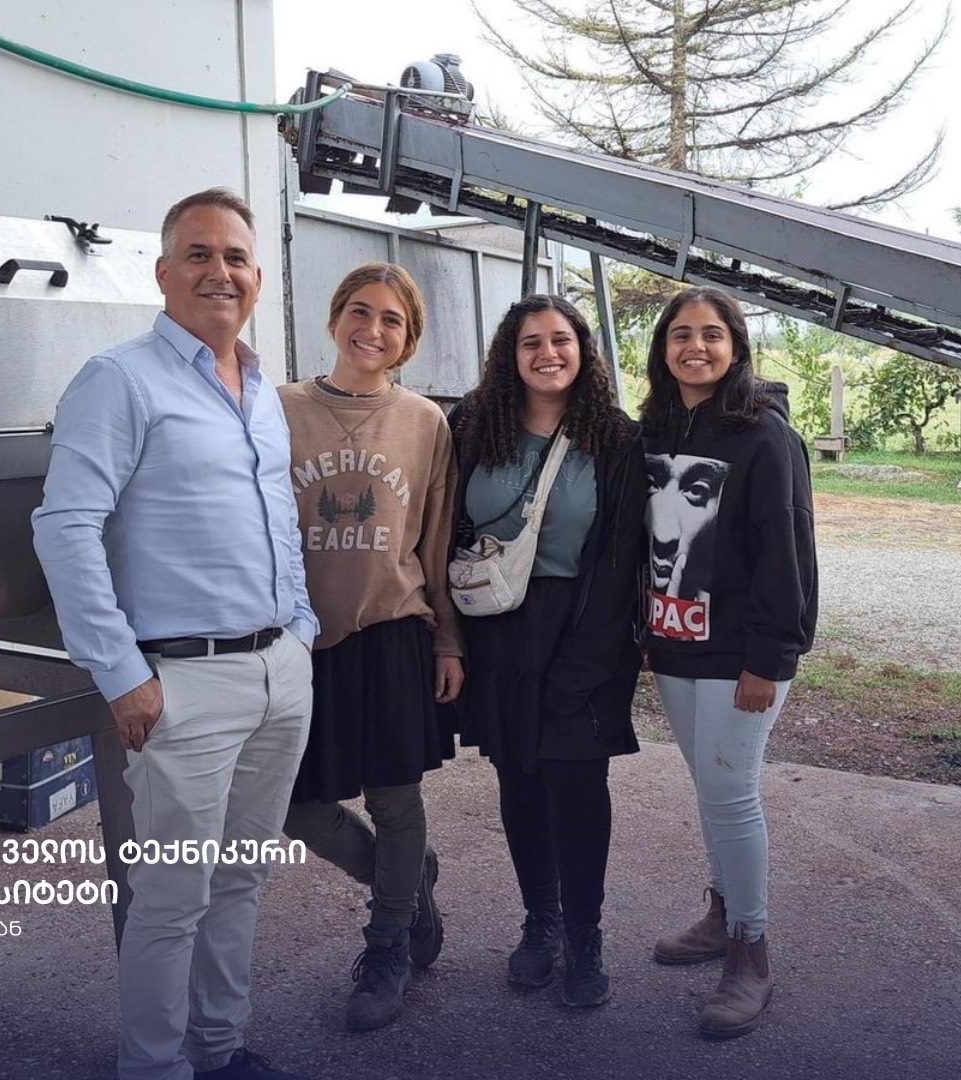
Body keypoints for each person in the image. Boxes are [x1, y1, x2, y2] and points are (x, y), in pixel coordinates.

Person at [32, 188, 318, 1080]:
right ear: (163, 273)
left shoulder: (265, 390)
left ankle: (219, 1049)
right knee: (169, 900)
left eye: (234, 257)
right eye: (198, 254)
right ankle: (154, 1069)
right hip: (181, 685)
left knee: (239, 879)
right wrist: (121, 674)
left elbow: (278, 519)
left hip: (279, 671)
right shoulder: (119, 380)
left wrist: (300, 631)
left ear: (258, 280)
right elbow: (66, 526)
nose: (218, 272)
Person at [276, 262, 463, 1032]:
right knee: (295, 805)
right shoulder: (278, 407)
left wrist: (450, 638)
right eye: (361, 312)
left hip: (390, 633)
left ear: (407, 339)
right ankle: (409, 878)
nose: (373, 330)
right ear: (334, 319)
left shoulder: (425, 423)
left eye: (392, 321)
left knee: (394, 799)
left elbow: (440, 540)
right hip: (299, 638)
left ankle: (387, 944)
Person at [447, 294, 646, 1009]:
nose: (547, 354)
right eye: (531, 342)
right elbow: (449, 530)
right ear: (511, 354)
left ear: (582, 351)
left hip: (584, 624)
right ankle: (543, 922)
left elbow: (623, 555)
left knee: (576, 781)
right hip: (499, 625)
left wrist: (590, 658)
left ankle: (586, 933)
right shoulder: (472, 426)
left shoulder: (614, 439)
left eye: (561, 340)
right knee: (520, 777)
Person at [639, 286, 817, 1040]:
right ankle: (720, 914)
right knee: (711, 790)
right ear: (663, 348)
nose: (696, 347)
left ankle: (751, 950)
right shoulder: (650, 428)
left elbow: (788, 550)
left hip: (741, 653)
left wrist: (771, 657)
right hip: (674, 644)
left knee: (732, 794)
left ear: (736, 347)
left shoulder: (764, 436)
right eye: (681, 334)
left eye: (712, 335)